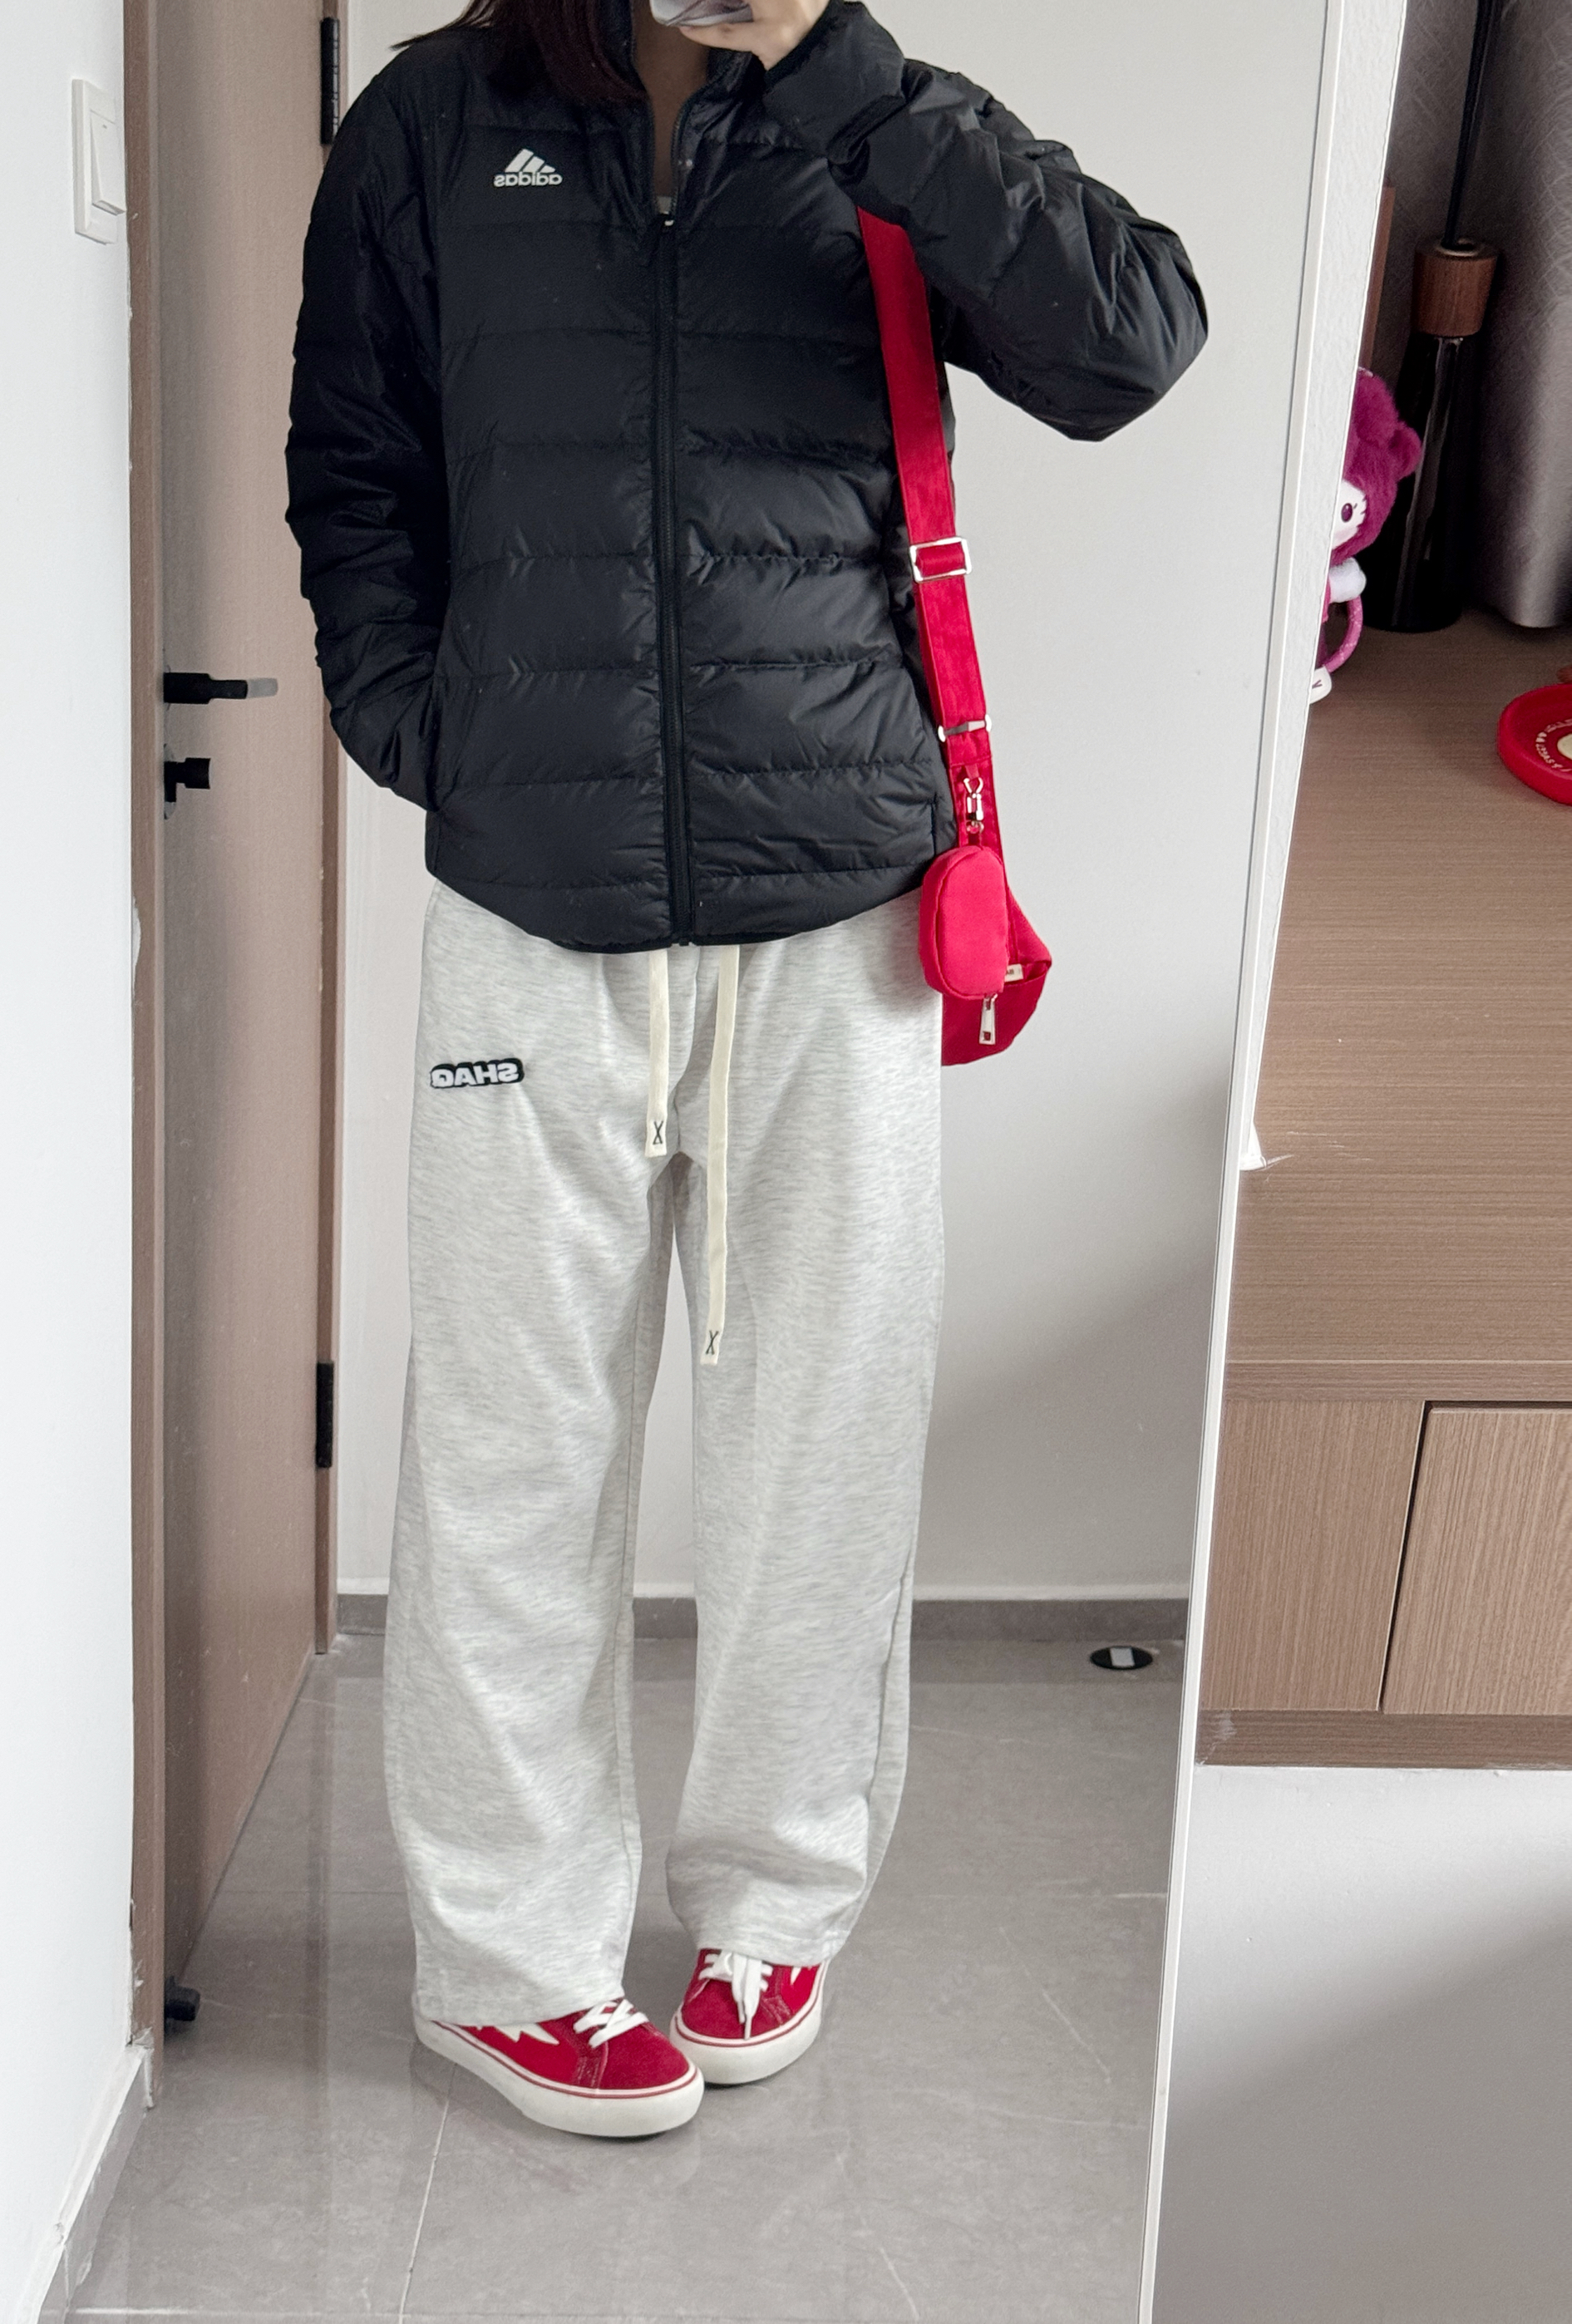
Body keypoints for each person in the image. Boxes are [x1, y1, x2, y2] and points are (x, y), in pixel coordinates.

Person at [287, 0, 1204, 2140]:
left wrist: (842, 70)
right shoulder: (435, 117)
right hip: (533, 899)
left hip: (842, 909)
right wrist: (440, 735)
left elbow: (1130, 346)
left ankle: (778, 1897)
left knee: (825, 1433)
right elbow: (356, 464)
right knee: (509, 1451)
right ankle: (507, 1964)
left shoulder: (870, 113)